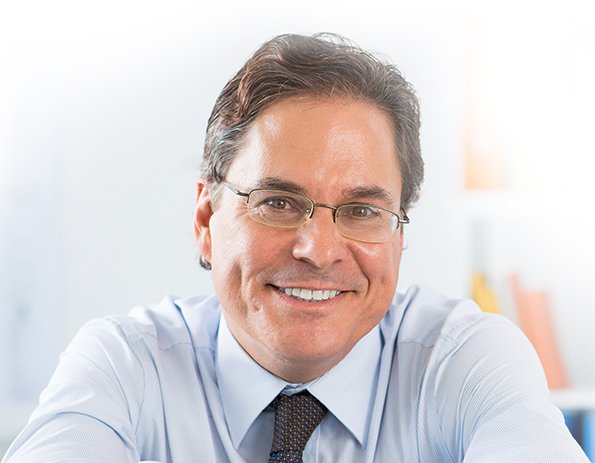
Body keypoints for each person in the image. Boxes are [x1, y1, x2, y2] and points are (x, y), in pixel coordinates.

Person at [2, 33, 588, 463]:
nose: (318, 248)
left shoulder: (462, 361)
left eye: (362, 211)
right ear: (207, 218)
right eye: (279, 202)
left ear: (400, 237)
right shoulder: (123, 368)